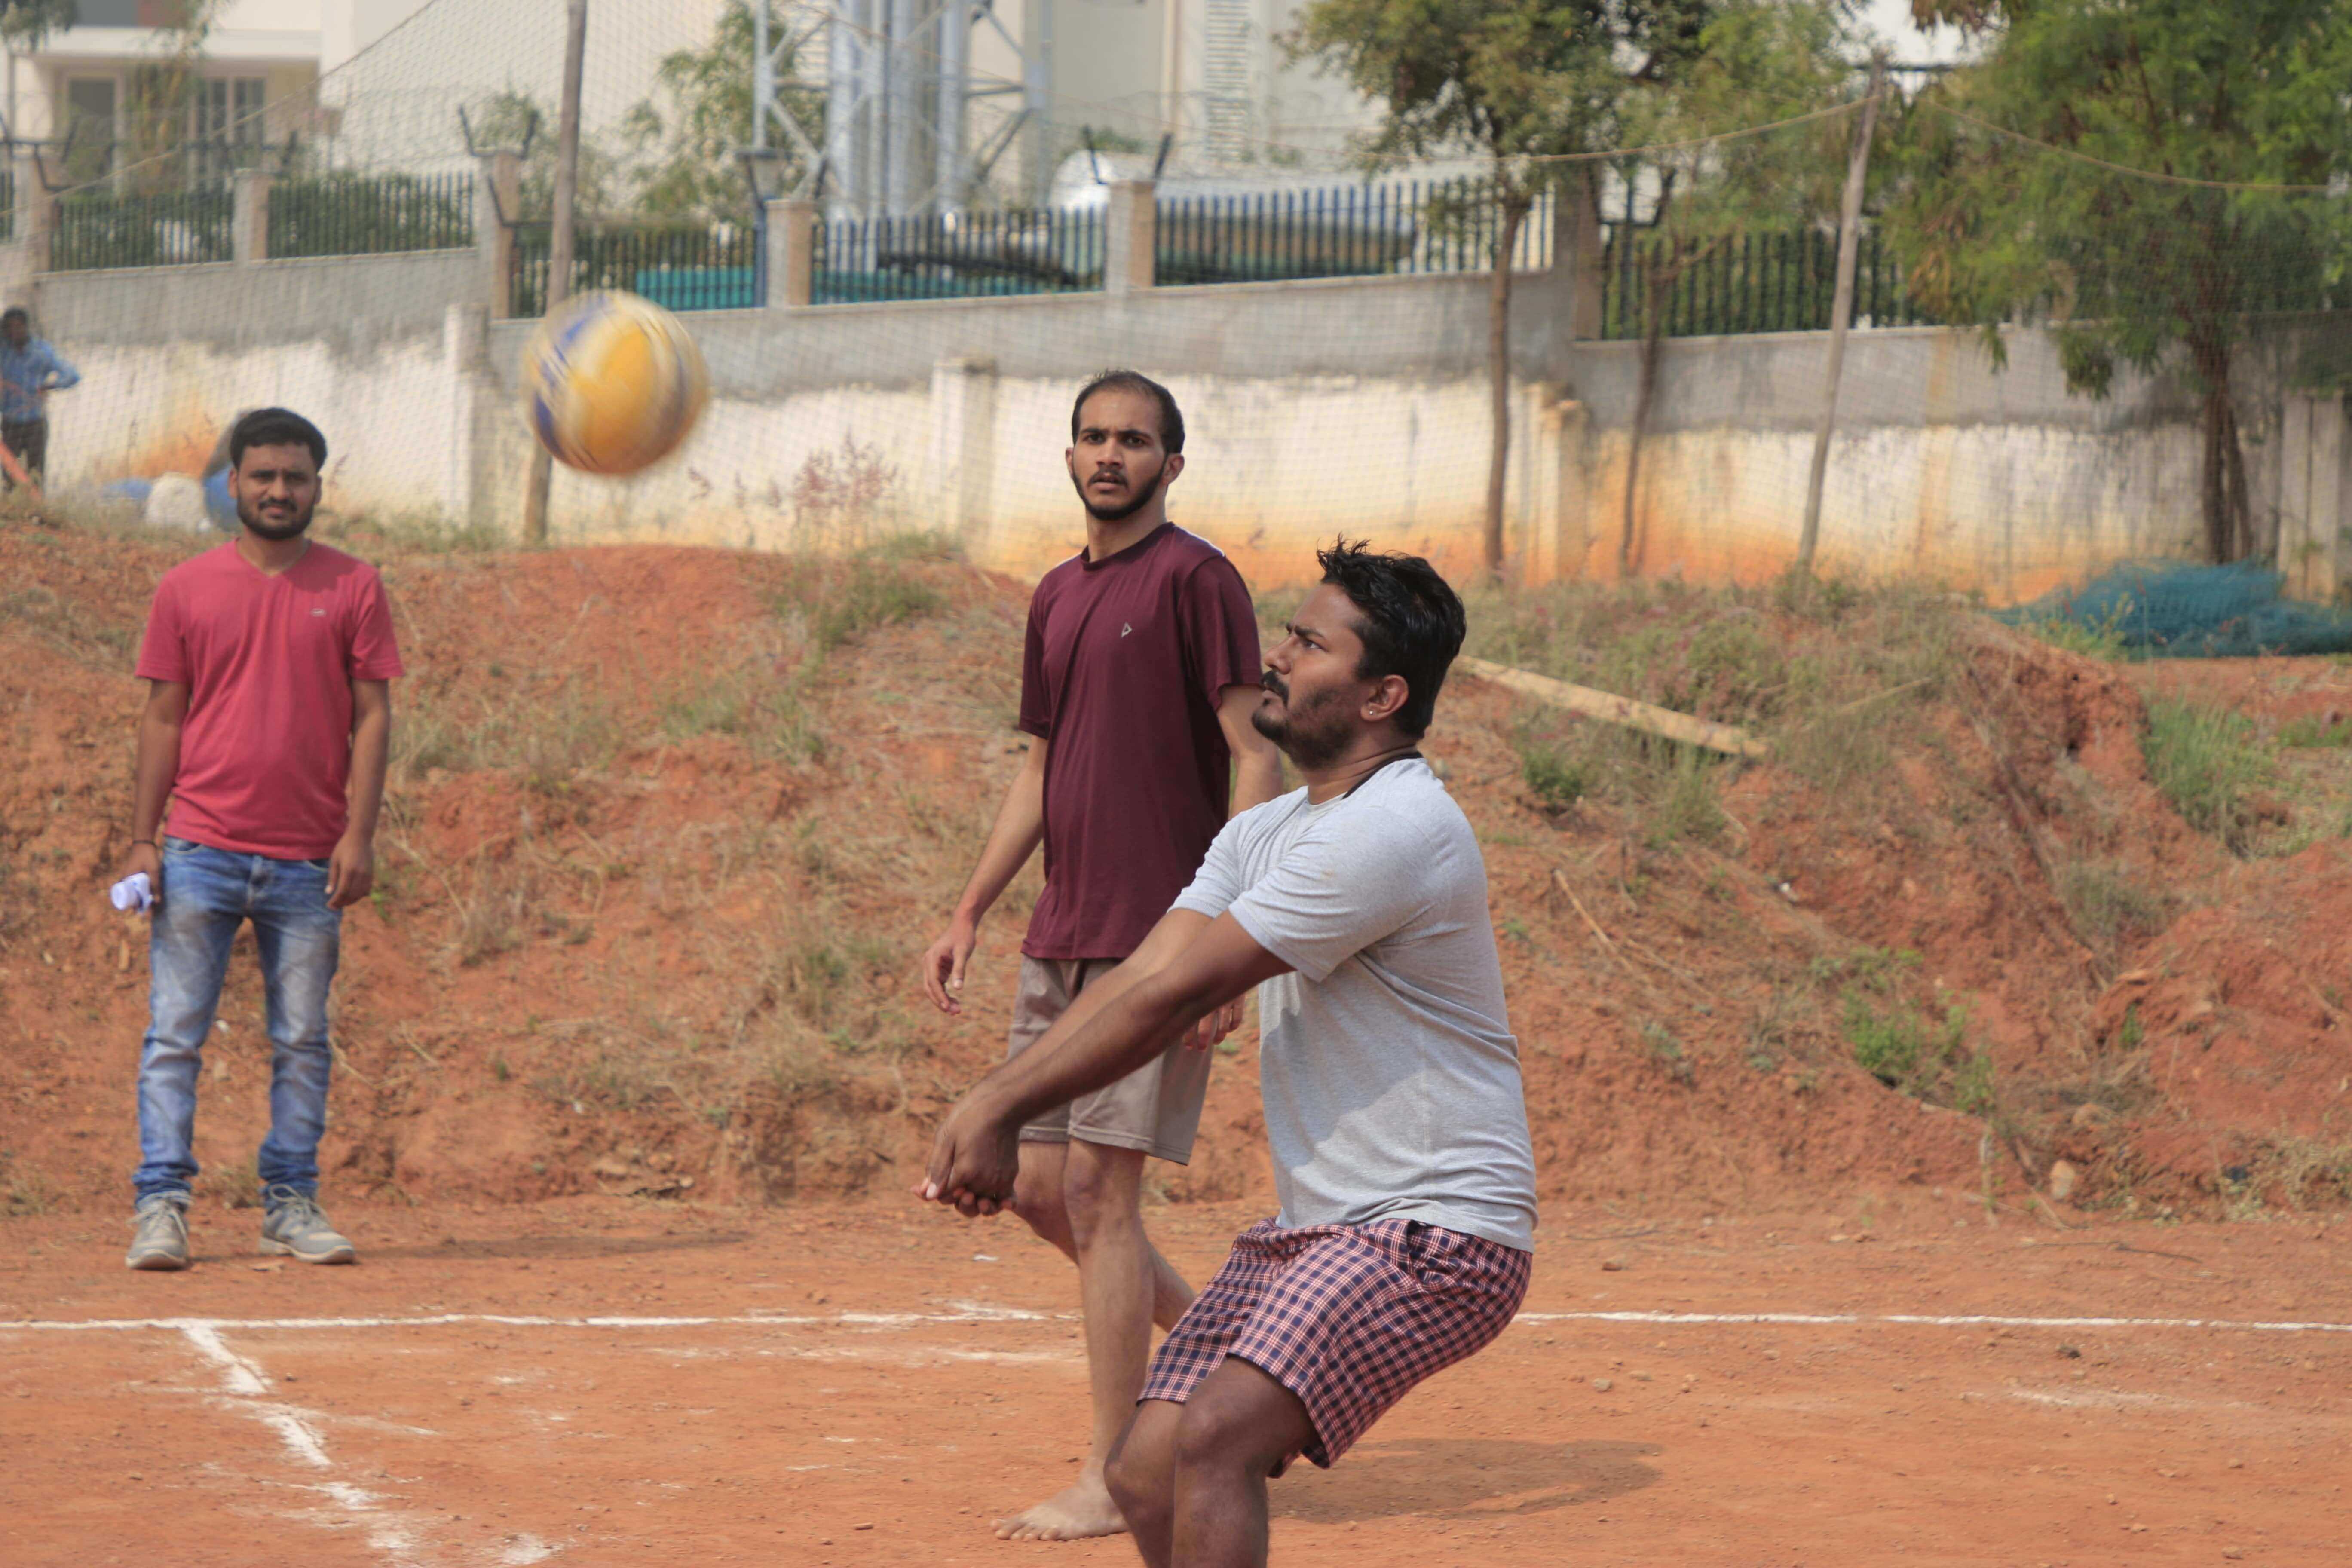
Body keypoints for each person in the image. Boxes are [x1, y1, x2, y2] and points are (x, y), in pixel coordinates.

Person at [920, 540, 1537, 1568]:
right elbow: (1138, 975)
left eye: (1307, 642)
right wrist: (1005, 1103)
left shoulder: (1395, 829)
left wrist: (992, 1106)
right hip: (1321, 1231)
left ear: (1382, 693)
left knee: (1213, 1440)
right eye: (1286, 634)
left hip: (1432, 1233)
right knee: (1140, 1466)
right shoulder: (1265, 833)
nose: (1277, 657)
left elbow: (1178, 992)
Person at [917, 369, 1284, 1541]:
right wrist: (972, 905)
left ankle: (1120, 1471)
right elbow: (1040, 768)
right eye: (1092, 437)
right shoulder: (1053, 597)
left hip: (1159, 942)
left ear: (1173, 463)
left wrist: (1223, 942)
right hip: (1061, 927)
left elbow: (1255, 758)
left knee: (1098, 1190)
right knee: (1030, 1182)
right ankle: (1225, 1350)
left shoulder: (1199, 580)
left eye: (1133, 439)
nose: (1110, 454)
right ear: (1069, 456)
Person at [118, 407, 403, 1272]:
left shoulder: (353, 586)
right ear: (233, 482)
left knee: (303, 1041)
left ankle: (289, 1204)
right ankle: (161, 1209)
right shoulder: (187, 588)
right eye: (264, 476)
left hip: (310, 861)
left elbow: (373, 715)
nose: (281, 491)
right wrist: (142, 843)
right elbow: (163, 719)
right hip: (199, 851)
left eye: (297, 477)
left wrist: (358, 834)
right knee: (175, 1037)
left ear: (318, 485)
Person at [0, 305, 79, 489]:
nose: (14, 332)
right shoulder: (3, 351)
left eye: (18, 327)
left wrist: (50, 385)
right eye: (9, 328)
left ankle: (37, 512)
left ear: (26, 327)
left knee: (36, 473)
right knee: (9, 474)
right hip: (10, 423)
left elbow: (72, 376)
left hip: (35, 422)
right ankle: (15, 511)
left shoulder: (41, 351)